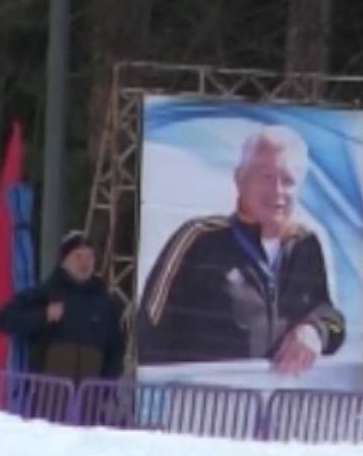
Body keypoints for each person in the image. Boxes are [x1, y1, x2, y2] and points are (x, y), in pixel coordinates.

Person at [135, 126, 346, 374]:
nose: (277, 191)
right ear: (240, 179)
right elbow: (149, 329)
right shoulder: (197, 239)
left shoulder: (305, 246)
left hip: (278, 408)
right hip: (200, 406)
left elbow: (332, 320)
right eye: (265, 176)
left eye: (288, 180)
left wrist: (315, 331)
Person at [0, 231, 124, 384]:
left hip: (90, 400)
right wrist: (43, 316)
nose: (84, 263)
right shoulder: (45, 293)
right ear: (63, 261)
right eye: (77, 257)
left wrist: (105, 391)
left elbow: (116, 349)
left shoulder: (104, 302)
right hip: (47, 398)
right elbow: (2, 319)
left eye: (89, 257)